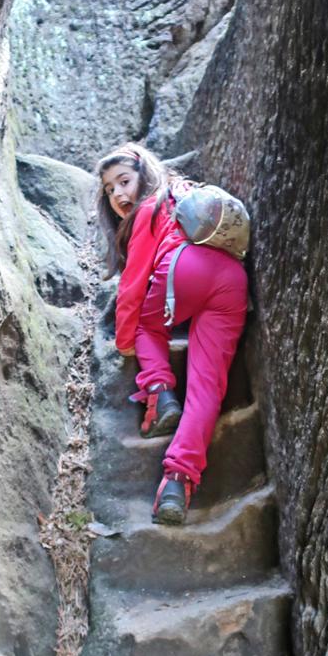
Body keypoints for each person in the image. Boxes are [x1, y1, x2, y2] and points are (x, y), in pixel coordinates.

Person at [94, 142, 248, 525]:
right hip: (232, 281)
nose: (118, 194)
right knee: (207, 387)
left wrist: (125, 344)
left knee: (147, 328)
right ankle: (177, 484)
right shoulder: (188, 193)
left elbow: (131, 291)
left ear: (144, 174)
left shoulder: (151, 207)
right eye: (110, 189)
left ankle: (161, 397)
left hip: (184, 270)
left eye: (124, 181)